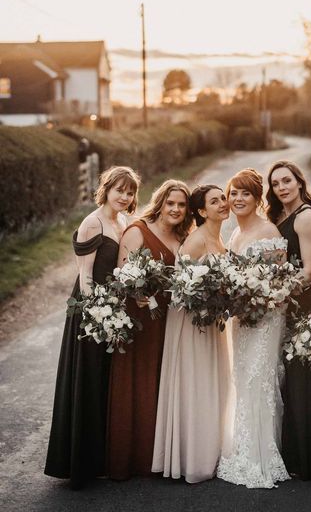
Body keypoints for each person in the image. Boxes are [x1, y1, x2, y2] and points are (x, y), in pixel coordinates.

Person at [45, 166, 140, 490]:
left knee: (104, 382)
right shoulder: (92, 222)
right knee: (86, 379)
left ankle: (100, 457)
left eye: (129, 193)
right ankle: (79, 463)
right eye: (120, 190)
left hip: (112, 308)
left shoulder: (122, 221)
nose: (125, 197)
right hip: (90, 311)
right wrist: (97, 314)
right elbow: (85, 276)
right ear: (107, 188)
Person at [107, 179, 192, 480]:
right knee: (136, 381)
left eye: (181, 205)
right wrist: (136, 293)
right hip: (140, 317)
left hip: (168, 318)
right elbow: (121, 275)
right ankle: (128, 457)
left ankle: (155, 455)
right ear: (160, 203)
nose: (176, 209)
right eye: (171, 203)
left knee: (160, 381)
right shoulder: (138, 230)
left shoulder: (183, 236)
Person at [152, 184, 230, 483]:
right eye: (215, 201)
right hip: (191, 323)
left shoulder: (218, 236)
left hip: (211, 323)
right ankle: (193, 459)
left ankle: (211, 450)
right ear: (201, 211)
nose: (223, 203)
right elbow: (180, 292)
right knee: (196, 383)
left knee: (212, 381)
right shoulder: (195, 242)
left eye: (223, 198)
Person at [217, 168, 290, 489]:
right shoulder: (234, 234)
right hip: (240, 319)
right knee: (241, 376)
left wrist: (254, 301)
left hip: (265, 320)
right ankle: (243, 446)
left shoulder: (269, 232)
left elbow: (280, 284)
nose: (238, 199)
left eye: (245, 193)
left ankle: (261, 455)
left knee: (258, 377)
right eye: (233, 193)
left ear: (257, 198)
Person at [266, 160, 311, 481]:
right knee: (286, 377)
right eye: (275, 184)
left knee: (303, 380)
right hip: (284, 304)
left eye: (286, 181)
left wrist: (279, 292)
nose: (281, 187)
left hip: (303, 304)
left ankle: (308, 458)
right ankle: (290, 452)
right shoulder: (279, 216)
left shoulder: (306, 217)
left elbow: (310, 270)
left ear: (299, 182)